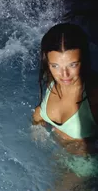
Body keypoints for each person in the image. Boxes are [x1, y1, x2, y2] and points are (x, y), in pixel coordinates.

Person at [33, 23, 98, 158]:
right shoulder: (52, 79)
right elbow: (39, 112)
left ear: (83, 60)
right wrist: (36, 127)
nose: (64, 74)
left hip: (82, 162)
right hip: (57, 152)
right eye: (55, 65)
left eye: (72, 64)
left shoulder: (93, 97)